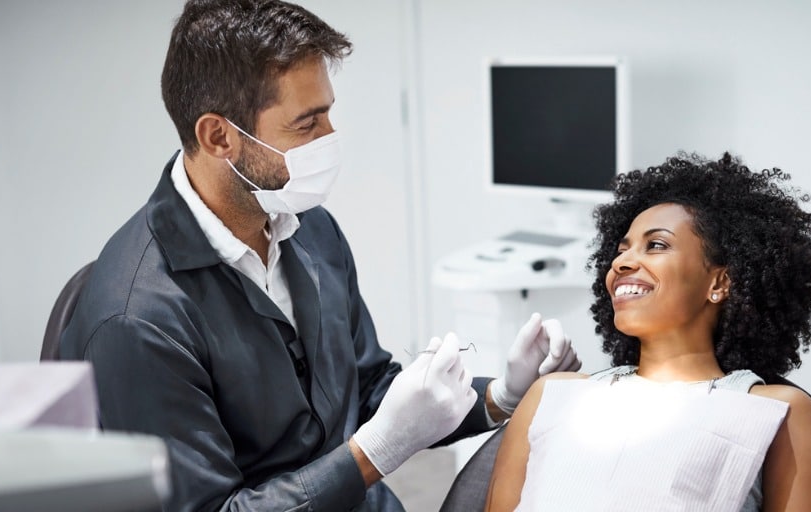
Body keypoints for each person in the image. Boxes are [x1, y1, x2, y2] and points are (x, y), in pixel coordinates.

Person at [59, 1, 580, 510]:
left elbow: (369, 386)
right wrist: (372, 454)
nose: (329, 139)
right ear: (219, 136)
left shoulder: (310, 230)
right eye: (307, 125)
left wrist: (500, 396)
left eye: (327, 115)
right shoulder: (138, 319)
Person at [485, 152, 811, 511]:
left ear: (719, 282)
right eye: (621, 250)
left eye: (656, 245)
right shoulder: (550, 395)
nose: (621, 263)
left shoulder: (776, 412)